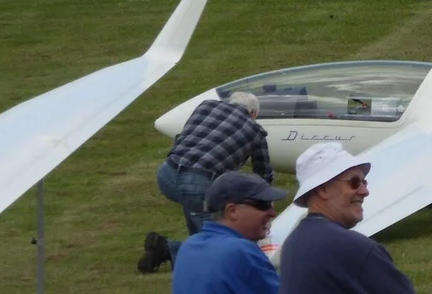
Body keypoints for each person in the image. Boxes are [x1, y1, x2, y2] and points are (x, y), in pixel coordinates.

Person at [141, 91, 275, 273]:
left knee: (201, 226)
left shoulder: (206, 106)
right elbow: (263, 175)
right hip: (197, 182)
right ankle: (166, 248)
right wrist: (264, 207)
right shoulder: (255, 130)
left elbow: (183, 137)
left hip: (166, 174)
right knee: (220, 238)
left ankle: (171, 253)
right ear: (254, 114)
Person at [278, 142, 416, 294]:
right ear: (323, 189)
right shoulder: (356, 249)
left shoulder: (293, 243)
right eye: (354, 182)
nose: (364, 191)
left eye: (364, 182)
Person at [171, 172, 286, 294]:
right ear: (232, 211)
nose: (272, 213)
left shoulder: (188, 246)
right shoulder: (241, 250)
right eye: (263, 205)